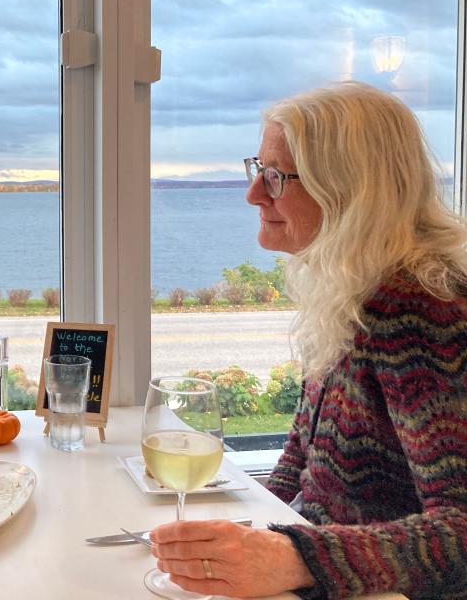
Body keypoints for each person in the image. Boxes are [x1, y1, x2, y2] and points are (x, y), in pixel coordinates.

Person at [149, 82, 467, 599]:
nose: (254, 194)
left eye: (275, 177)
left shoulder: (421, 307)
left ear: (348, 190)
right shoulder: (351, 285)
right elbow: (303, 455)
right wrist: (244, 533)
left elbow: (459, 530)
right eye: (259, 169)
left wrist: (297, 558)